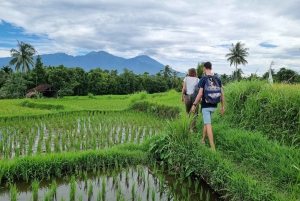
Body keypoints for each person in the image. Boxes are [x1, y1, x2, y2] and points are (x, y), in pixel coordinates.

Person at [191, 62, 225, 151]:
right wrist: (222, 106)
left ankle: (213, 148)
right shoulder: (218, 79)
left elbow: (200, 93)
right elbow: (222, 94)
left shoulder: (203, 79)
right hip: (214, 105)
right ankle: (202, 140)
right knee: (207, 123)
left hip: (205, 106)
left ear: (204, 68)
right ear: (211, 68)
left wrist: (194, 104)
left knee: (208, 125)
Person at [181, 68, 200, 133]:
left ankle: (187, 126)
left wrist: (182, 97)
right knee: (194, 114)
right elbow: (199, 90)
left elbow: (183, 88)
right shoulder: (197, 79)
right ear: (195, 72)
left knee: (187, 113)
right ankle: (192, 129)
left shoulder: (186, 78)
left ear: (189, 72)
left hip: (187, 97)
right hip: (195, 98)